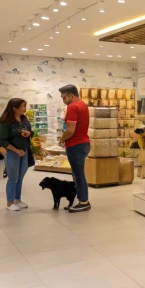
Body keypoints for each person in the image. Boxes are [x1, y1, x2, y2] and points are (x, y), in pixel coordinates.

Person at [59, 84, 91, 213]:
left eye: (63, 97)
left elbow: (70, 130)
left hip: (75, 145)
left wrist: (61, 139)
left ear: (71, 95)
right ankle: (81, 199)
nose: (63, 100)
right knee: (78, 174)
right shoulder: (83, 105)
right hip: (83, 143)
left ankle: (84, 201)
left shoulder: (72, 107)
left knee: (78, 175)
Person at [0, 98, 32, 211]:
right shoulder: (5, 122)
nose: (24, 109)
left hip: (24, 152)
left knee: (20, 177)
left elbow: (30, 132)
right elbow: (3, 141)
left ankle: (18, 199)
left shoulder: (24, 119)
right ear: (14, 108)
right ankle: (10, 202)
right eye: (23, 106)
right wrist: (16, 150)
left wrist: (29, 133)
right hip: (13, 153)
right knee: (13, 178)